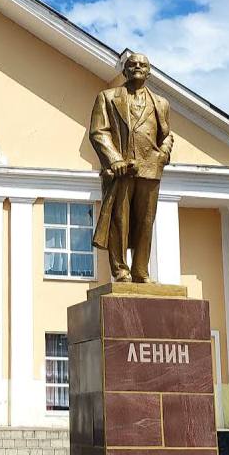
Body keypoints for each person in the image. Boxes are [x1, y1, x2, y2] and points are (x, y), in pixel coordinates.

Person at [89, 52, 173, 283]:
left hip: (150, 168)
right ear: (124, 71)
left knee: (146, 221)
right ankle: (121, 270)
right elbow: (98, 132)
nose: (137, 67)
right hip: (122, 169)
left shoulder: (161, 103)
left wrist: (164, 153)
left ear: (149, 72)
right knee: (120, 220)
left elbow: (166, 135)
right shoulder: (107, 97)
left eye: (142, 65)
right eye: (132, 64)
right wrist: (114, 159)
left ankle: (140, 270)